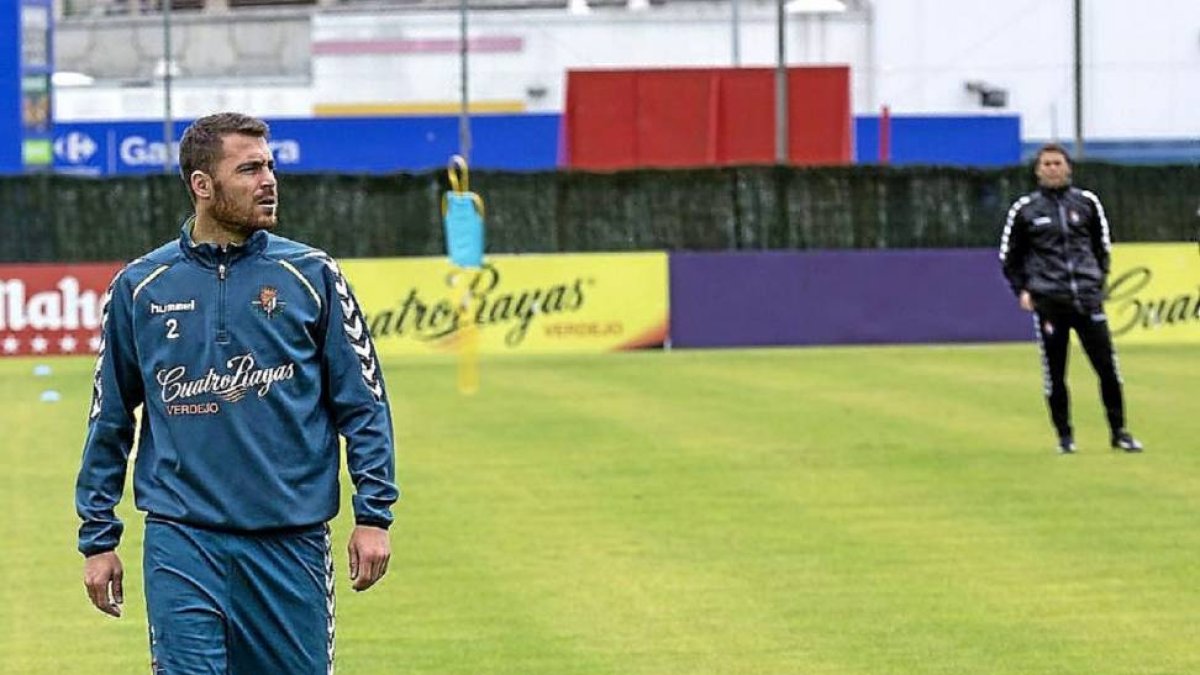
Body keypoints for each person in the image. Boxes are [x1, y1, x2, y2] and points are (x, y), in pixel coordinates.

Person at [75, 112, 399, 673]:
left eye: (270, 166)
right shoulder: (141, 287)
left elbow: (363, 404)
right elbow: (110, 419)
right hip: (183, 540)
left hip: (290, 543)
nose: (269, 180)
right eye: (249, 169)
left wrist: (374, 515)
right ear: (202, 185)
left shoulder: (312, 275)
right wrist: (97, 537)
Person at [999, 143, 1144, 455]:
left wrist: (1096, 281)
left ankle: (1119, 432)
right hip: (1050, 302)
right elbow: (1009, 258)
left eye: (1058, 163)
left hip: (1087, 300)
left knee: (1107, 368)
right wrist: (1023, 290)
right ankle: (1065, 437)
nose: (1053, 169)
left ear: (1068, 168)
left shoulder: (1087, 203)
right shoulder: (1025, 210)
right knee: (1055, 372)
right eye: (1047, 164)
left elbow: (1102, 247)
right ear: (1038, 171)